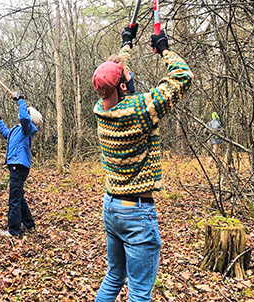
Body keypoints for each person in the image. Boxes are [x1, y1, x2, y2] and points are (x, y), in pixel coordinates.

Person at [92, 24, 193, 302]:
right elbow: (183, 76)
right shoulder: (141, 109)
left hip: (112, 207)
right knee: (139, 292)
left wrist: (127, 43)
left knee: (114, 276)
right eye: (126, 76)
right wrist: (164, 49)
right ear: (123, 86)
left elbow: (116, 76)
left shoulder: (101, 109)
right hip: (136, 213)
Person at [0, 92, 43, 237]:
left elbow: (25, 117)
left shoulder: (28, 128)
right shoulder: (17, 129)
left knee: (14, 198)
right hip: (16, 165)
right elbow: (6, 134)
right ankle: (29, 224)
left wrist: (20, 101)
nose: (23, 114)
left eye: (26, 112)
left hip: (19, 165)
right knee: (18, 196)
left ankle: (14, 230)